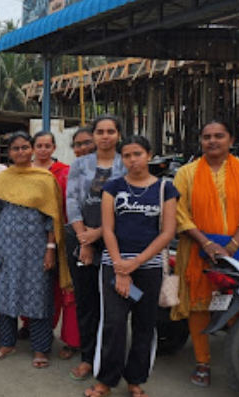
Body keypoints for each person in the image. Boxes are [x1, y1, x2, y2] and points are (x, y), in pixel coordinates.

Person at [172, 120, 239, 387]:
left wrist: (231, 247)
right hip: (197, 250)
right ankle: (203, 363)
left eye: (219, 136)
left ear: (231, 139)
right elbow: (179, 213)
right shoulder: (186, 173)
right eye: (207, 137)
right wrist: (207, 245)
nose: (212, 141)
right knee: (200, 306)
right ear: (200, 141)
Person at [84, 136, 179, 397]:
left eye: (137, 153)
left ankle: (135, 380)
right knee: (113, 324)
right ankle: (105, 380)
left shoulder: (165, 190)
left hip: (148, 267)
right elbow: (108, 229)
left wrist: (136, 262)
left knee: (145, 325)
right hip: (113, 264)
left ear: (149, 154)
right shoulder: (113, 188)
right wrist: (119, 267)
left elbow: (167, 233)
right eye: (127, 156)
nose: (132, 160)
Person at [0, 132, 66, 369]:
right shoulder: (2, 179)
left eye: (24, 147)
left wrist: (50, 249)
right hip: (6, 247)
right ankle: (7, 342)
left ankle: (41, 347)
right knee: (6, 294)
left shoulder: (44, 178)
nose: (20, 152)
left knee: (38, 294)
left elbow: (52, 216)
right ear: (9, 153)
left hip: (36, 247)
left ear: (32, 150)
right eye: (15, 149)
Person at [66, 115, 126, 381]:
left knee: (115, 305)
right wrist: (84, 239)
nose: (105, 136)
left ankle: (112, 359)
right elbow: (72, 201)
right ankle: (88, 358)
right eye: (100, 131)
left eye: (110, 131)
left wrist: (99, 234)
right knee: (87, 302)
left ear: (119, 135)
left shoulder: (127, 163)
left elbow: (126, 206)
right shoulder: (80, 164)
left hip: (118, 242)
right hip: (82, 239)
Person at [28, 131, 79, 360]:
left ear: (54, 148)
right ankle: (31, 326)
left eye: (47, 145)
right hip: (29, 238)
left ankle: (70, 340)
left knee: (66, 289)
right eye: (38, 145)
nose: (43, 149)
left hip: (62, 235)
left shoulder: (65, 172)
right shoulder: (24, 172)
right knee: (33, 285)